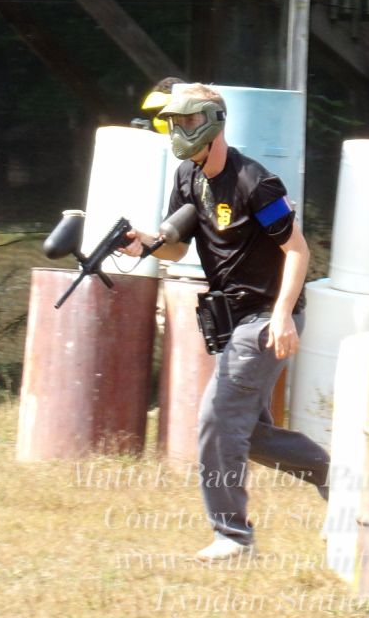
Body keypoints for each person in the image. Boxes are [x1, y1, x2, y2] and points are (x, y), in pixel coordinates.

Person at [121, 83, 329, 561]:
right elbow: (177, 248)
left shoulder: (256, 182)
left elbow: (297, 251)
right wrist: (144, 243)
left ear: (214, 123)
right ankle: (340, 481)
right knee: (248, 433)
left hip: (266, 317)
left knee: (217, 418)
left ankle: (233, 537)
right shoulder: (187, 176)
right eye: (176, 123)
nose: (181, 130)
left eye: (189, 121)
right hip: (231, 320)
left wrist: (283, 315)